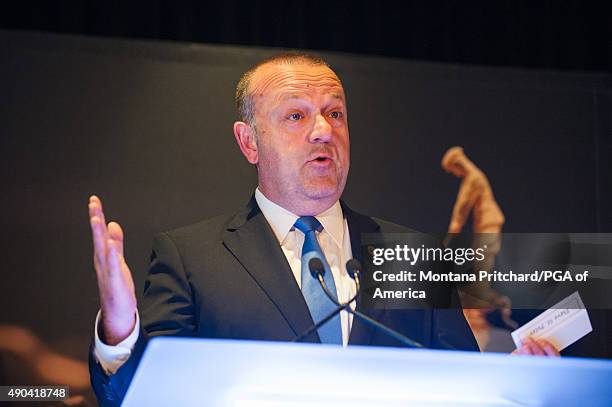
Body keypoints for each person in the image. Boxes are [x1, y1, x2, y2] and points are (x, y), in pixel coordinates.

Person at [88, 53, 558, 406]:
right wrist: (120, 330)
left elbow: (459, 389)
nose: (323, 131)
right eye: (296, 115)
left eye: (335, 113)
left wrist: (509, 388)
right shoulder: (191, 258)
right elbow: (140, 398)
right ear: (249, 141)